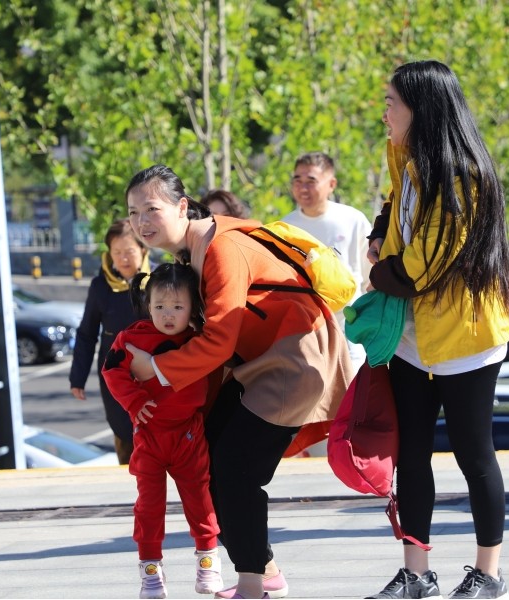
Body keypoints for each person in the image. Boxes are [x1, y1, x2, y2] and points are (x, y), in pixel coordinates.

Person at [123, 164, 352, 599]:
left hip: (292, 360)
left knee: (234, 472)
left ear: (182, 207)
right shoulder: (193, 251)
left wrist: (156, 369)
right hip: (262, 362)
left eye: (152, 209)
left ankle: (253, 584)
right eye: (134, 213)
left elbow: (219, 340)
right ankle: (267, 574)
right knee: (207, 461)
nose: (141, 221)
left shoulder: (220, 248)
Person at [364, 61, 509, 599]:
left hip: (465, 339)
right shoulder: (405, 158)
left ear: (421, 109)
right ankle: (416, 573)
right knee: (411, 456)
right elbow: (393, 207)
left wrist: (377, 270)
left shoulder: (461, 177)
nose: (385, 112)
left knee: (474, 455)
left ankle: (488, 574)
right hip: (412, 339)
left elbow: (418, 270)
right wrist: (379, 233)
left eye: (392, 103)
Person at [101, 262, 222, 599]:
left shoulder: (200, 340)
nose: (168, 315)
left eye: (178, 307)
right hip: (150, 438)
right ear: (148, 305)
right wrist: (134, 400)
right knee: (149, 507)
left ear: (193, 308)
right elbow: (112, 371)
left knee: (200, 500)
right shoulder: (131, 338)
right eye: (160, 307)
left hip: (189, 436)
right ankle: (150, 571)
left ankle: (208, 562)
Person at [281, 151, 373, 367]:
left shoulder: (353, 219)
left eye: (311, 181)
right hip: (304, 329)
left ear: (331, 184)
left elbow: (370, 275)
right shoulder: (285, 227)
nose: (303, 188)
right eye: (298, 180)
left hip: (350, 325)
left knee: (353, 384)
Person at [69, 218, 150, 464]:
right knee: (125, 434)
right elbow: (87, 333)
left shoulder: (160, 280)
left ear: (143, 249)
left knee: (157, 431)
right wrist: (78, 377)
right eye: (117, 252)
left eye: (129, 251)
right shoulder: (100, 286)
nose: (123, 258)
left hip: (155, 370)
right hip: (116, 374)